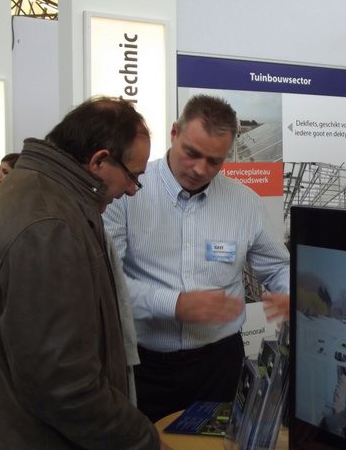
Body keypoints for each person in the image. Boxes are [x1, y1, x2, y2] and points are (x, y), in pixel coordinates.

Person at [0, 97, 170, 450]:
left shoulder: (42, 195)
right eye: (133, 177)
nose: (132, 190)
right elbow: (63, 385)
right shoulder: (49, 225)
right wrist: (143, 441)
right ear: (99, 161)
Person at [103, 94, 290, 422]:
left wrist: (292, 293)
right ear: (174, 133)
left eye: (214, 161)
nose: (200, 169)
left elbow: (278, 266)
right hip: (144, 365)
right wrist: (174, 304)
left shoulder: (244, 202)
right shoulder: (127, 192)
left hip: (219, 365)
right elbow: (107, 283)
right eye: (192, 153)